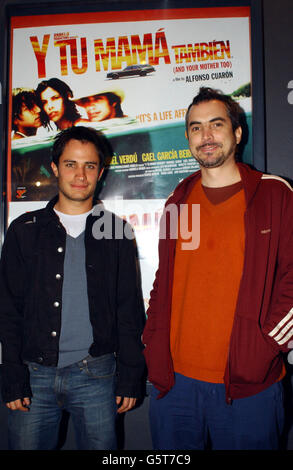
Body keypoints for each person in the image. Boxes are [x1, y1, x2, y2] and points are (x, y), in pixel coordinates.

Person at [142, 87, 293, 450]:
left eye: (216, 124)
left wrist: (265, 346)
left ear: (237, 133)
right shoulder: (178, 199)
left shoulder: (274, 195)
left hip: (247, 385)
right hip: (173, 384)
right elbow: (165, 280)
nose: (206, 136)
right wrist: (152, 340)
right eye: (196, 128)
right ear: (188, 138)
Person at [0, 125, 145, 450]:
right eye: (70, 164)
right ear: (55, 168)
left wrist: (131, 374)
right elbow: (7, 309)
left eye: (89, 165)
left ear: (101, 171)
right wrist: (11, 372)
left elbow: (129, 310)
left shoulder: (116, 231)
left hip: (97, 375)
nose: (80, 174)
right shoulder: (24, 230)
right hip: (33, 374)